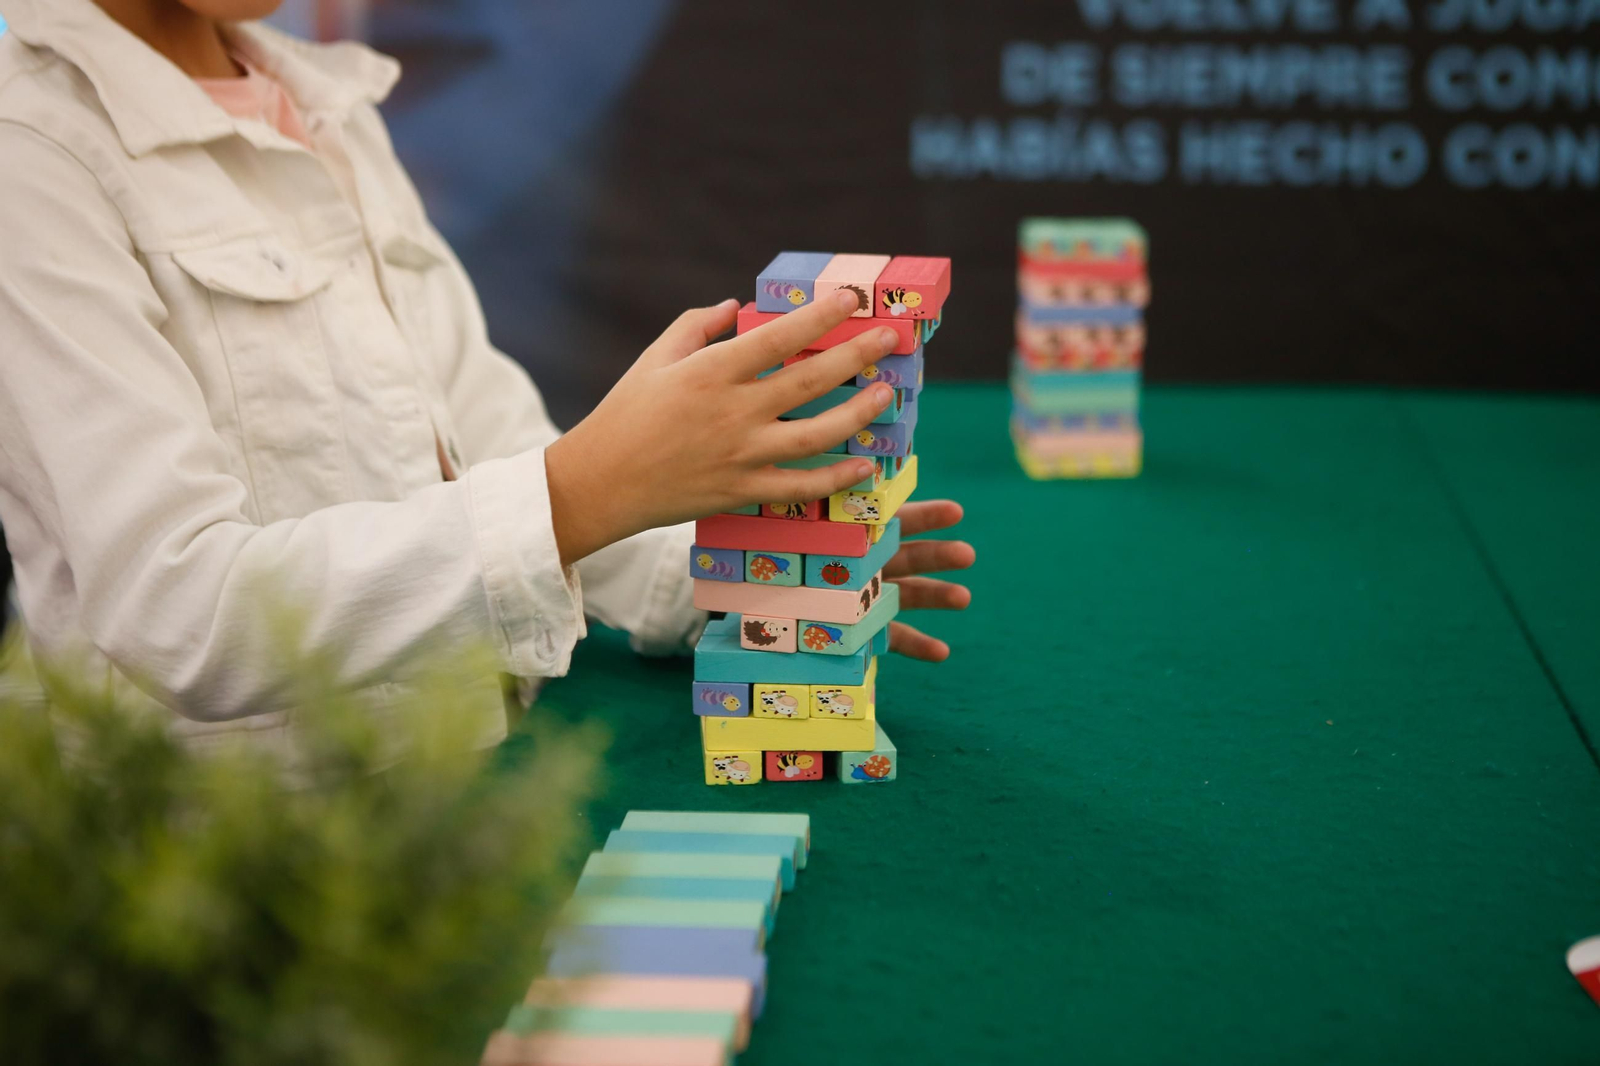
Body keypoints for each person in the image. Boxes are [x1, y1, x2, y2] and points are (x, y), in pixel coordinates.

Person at [0, 0, 974, 778]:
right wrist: (586, 487)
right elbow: (177, 609)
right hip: (228, 863)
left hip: (460, 784)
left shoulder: (323, 102)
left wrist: (753, 576)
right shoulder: (32, 157)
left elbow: (477, 427)